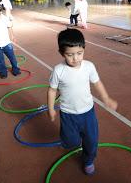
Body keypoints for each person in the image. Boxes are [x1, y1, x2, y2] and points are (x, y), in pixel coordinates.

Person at [47, 28, 117, 176]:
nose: (75, 58)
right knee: (71, 142)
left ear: (84, 49)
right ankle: (71, 140)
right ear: (61, 53)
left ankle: (88, 160)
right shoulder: (58, 70)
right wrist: (51, 108)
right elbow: (52, 90)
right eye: (70, 55)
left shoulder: (89, 66)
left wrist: (106, 98)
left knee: (91, 141)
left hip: (88, 113)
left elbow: (97, 83)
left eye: (79, 53)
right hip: (68, 114)